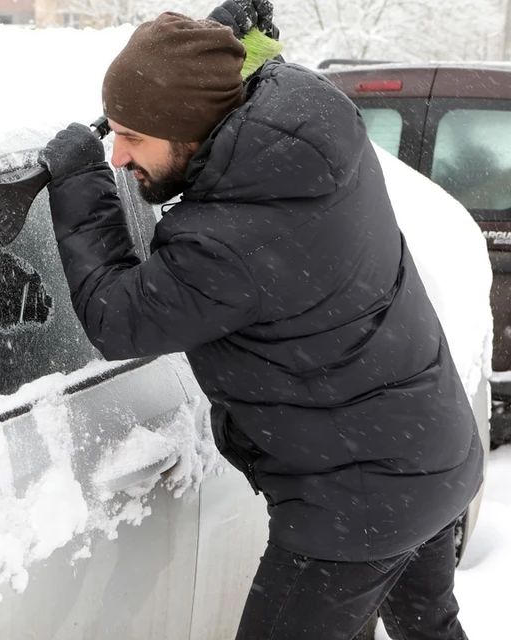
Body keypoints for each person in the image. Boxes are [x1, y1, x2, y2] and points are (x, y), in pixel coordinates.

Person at [38, 4, 484, 639]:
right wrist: (217, 44)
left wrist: (78, 181)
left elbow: (118, 318)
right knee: (429, 628)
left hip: (356, 506)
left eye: (132, 136)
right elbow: (250, 71)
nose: (116, 155)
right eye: (111, 135)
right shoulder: (312, 117)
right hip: (434, 452)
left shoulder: (229, 240)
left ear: (189, 127)